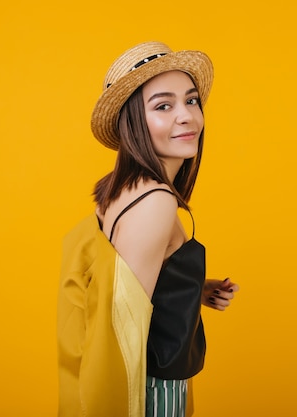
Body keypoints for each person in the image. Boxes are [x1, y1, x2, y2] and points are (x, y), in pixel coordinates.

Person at [57, 41, 240, 417]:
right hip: (148, 392)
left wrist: (190, 288)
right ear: (133, 123)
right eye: (163, 106)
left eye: (191, 100)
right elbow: (122, 334)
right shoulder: (156, 202)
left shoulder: (127, 187)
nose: (186, 116)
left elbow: (121, 284)